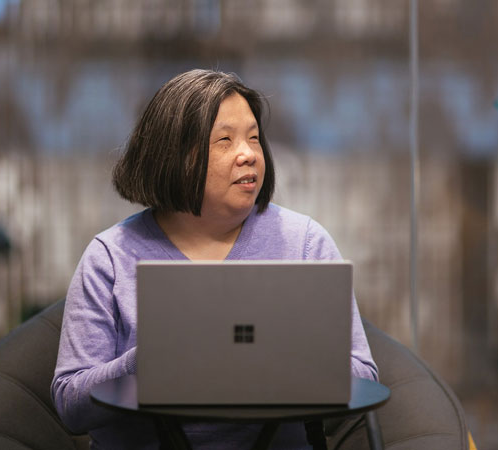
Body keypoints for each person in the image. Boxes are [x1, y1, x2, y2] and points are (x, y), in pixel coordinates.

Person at [52, 69, 378, 450]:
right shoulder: (110, 256)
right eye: (225, 140)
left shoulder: (305, 242)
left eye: (254, 138)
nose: (249, 154)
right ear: (172, 155)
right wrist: (150, 361)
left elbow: (364, 378)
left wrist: (294, 359)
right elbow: (70, 405)